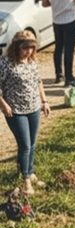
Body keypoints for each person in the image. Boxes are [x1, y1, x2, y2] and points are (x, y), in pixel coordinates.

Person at [0, 31, 50, 195]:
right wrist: (4, 105)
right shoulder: (6, 63)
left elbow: (38, 81)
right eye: (25, 48)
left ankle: (29, 170)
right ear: (16, 47)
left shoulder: (32, 61)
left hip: (34, 107)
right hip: (15, 110)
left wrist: (44, 101)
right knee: (25, 145)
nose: (28, 51)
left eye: (31, 48)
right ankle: (26, 181)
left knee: (32, 143)